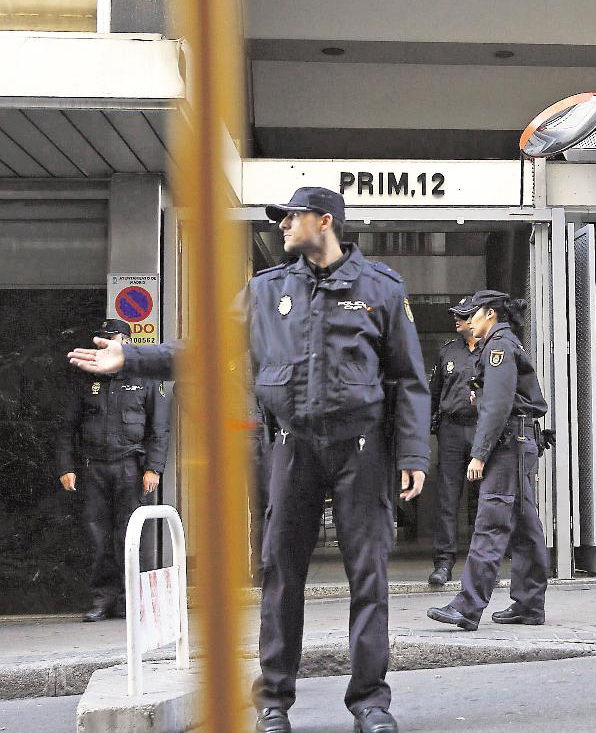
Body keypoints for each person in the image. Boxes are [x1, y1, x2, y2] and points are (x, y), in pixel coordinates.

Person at [68, 187, 431, 733]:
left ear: (324, 221)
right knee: (281, 574)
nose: (282, 225)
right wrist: (132, 358)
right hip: (290, 448)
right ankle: (274, 703)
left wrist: (413, 452)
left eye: (291, 216)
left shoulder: (381, 288)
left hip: (363, 450)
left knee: (368, 577)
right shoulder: (266, 291)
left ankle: (370, 704)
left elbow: (408, 379)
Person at [427, 289, 549, 631]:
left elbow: (496, 406)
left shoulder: (498, 347)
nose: (468, 320)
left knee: (491, 522)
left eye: (473, 314)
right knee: (525, 525)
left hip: (508, 444)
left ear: (490, 315)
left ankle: (467, 607)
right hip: (520, 440)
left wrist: (479, 454)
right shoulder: (507, 343)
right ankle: (529, 603)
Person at [55, 318, 171, 622]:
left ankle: (130, 600)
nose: (107, 345)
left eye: (114, 340)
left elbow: (159, 428)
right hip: (94, 467)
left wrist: (154, 468)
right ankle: (102, 599)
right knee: (97, 536)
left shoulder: (145, 377)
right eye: (103, 340)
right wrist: (66, 465)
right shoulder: (85, 378)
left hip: (130, 467)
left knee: (130, 535)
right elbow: (67, 427)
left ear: (126, 343)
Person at [426, 297, 483, 587]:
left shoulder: (491, 350)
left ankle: (477, 564)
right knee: (448, 499)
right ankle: (444, 563)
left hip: (480, 431)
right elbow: (433, 395)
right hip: (450, 431)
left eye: (462, 315)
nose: (456, 319)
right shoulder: (447, 352)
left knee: (480, 499)